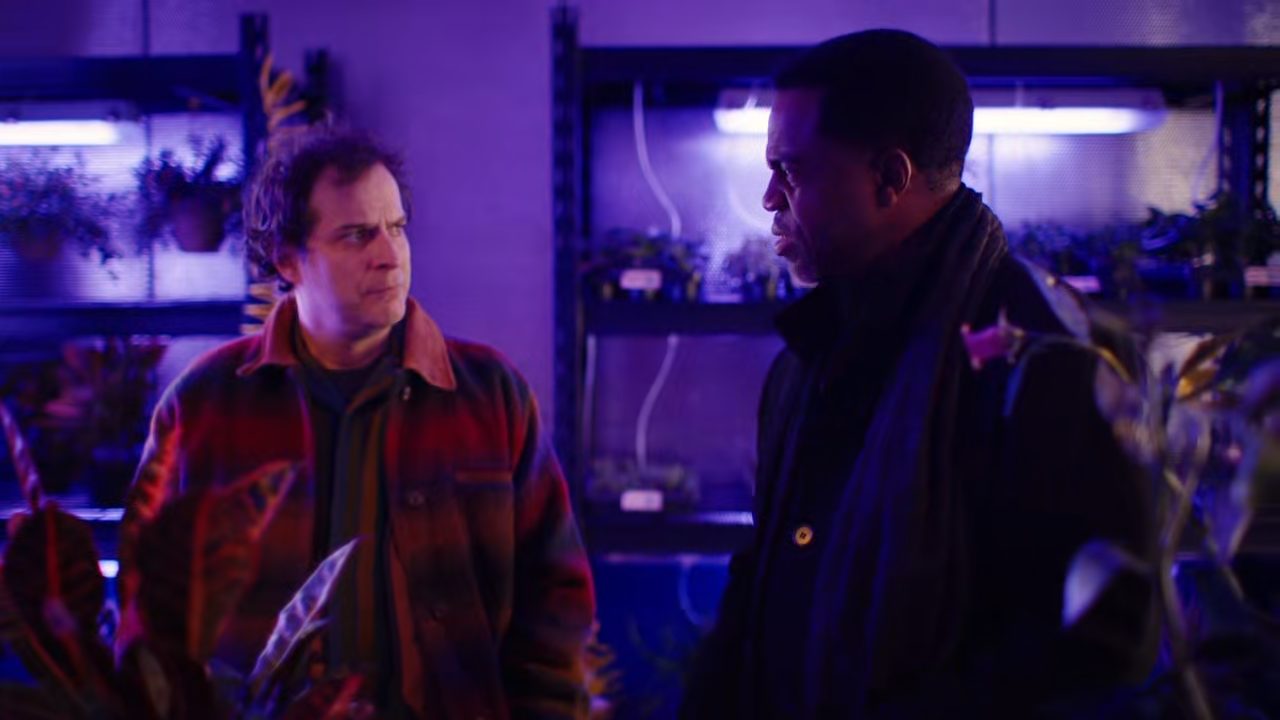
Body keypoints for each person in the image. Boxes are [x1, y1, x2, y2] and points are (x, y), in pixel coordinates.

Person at [680, 29, 1157, 719]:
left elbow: (1100, 639)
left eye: (791, 171)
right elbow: (765, 574)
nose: (769, 198)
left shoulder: (1049, 354)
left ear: (890, 177)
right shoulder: (806, 358)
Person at [119, 126, 596, 720]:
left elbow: (555, 603)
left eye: (397, 227)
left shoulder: (488, 396)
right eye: (356, 235)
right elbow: (148, 606)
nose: (390, 255)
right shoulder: (205, 405)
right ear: (287, 259)